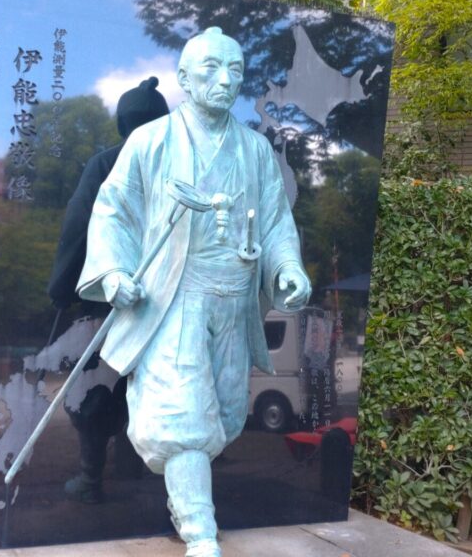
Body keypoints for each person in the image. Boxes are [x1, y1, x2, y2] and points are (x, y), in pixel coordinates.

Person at [77, 27, 312, 557]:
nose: (225, 80)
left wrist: (287, 270)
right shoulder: (151, 141)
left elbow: (276, 222)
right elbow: (113, 210)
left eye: (235, 69)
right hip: (173, 298)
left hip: (233, 299)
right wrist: (114, 274)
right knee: (182, 415)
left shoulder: (254, 149)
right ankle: (201, 534)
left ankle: (183, 499)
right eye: (211, 69)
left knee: (226, 414)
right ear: (184, 78)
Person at [46, 77, 169, 503]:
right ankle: (133, 464)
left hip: (108, 301)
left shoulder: (107, 163)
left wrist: (63, 286)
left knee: (98, 389)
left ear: (122, 122)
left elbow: (78, 229)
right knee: (148, 385)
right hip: (165, 304)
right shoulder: (181, 168)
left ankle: (91, 478)